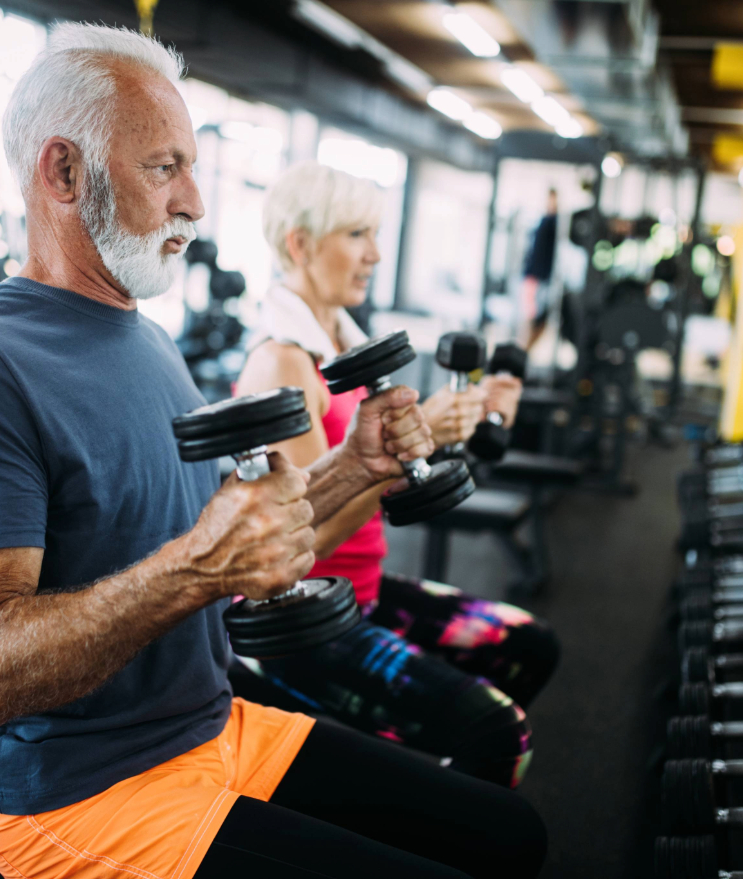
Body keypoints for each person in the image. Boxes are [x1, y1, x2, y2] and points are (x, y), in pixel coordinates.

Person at [0, 23, 545, 879]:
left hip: (211, 724)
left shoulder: (145, 337)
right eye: (164, 167)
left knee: (509, 836)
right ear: (63, 172)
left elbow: (232, 536)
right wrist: (193, 572)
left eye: (190, 168)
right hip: (80, 792)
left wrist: (358, 463)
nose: (195, 202)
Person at [230, 162, 559, 791]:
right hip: (303, 622)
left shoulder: (341, 348)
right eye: (357, 235)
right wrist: (415, 441)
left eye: (373, 235)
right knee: (500, 736)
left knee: (528, 646)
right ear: (300, 244)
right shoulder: (282, 362)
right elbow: (297, 546)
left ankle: (428, 785)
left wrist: (469, 418)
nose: (376, 254)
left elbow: (398, 478)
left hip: (365, 589)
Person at [518, 188, 558, 346]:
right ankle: (523, 350)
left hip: (542, 278)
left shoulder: (553, 222)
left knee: (540, 319)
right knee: (531, 317)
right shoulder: (543, 222)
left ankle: (525, 350)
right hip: (534, 277)